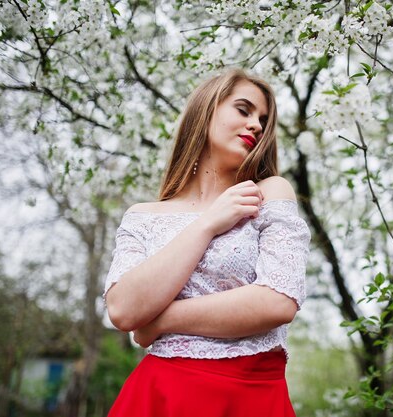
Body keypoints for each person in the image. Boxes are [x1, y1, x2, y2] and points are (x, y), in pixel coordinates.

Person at [103, 68, 311, 417]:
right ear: (205, 111)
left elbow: (278, 301)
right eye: (243, 110)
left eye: (262, 119)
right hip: (159, 394)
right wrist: (208, 223)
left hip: (250, 395)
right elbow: (123, 310)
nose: (257, 125)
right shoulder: (143, 216)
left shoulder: (270, 193)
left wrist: (158, 321)